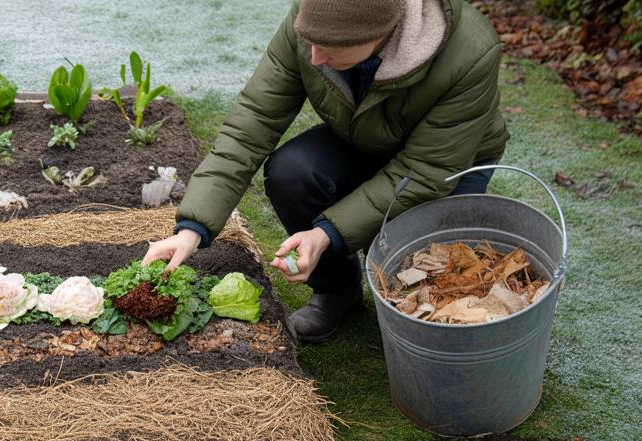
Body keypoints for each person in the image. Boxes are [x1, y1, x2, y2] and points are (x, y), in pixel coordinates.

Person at [142, 0, 509, 342]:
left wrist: (326, 232)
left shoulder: (468, 51)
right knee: (293, 172)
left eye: (330, 48)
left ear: (380, 35)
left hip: (447, 164)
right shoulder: (311, 24)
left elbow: (425, 170)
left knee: (428, 276)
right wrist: (193, 229)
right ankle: (337, 291)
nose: (314, 57)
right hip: (363, 138)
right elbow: (253, 122)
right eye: (310, 42)